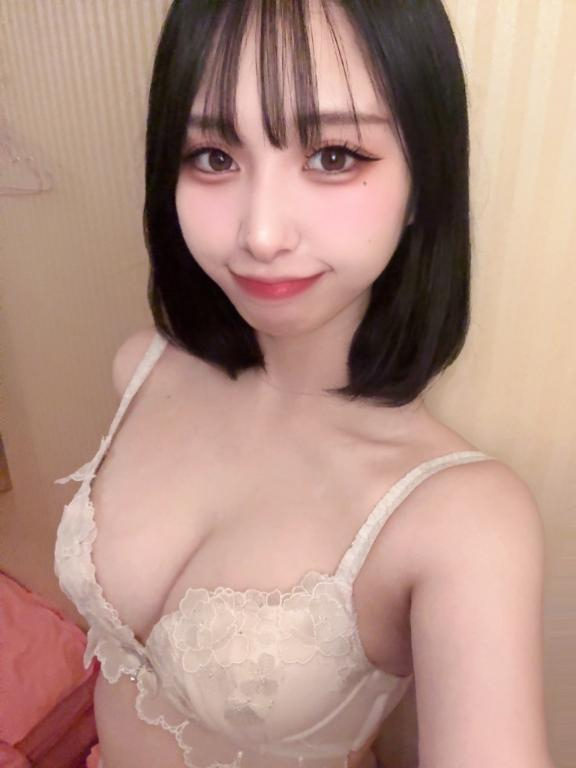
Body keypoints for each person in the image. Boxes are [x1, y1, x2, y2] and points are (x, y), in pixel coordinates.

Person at [53, 1, 553, 767]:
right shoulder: (143, 368)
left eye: (334, 156)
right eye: (213, 156)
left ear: (424, 182)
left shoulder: (463, 521)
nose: (260, 233)